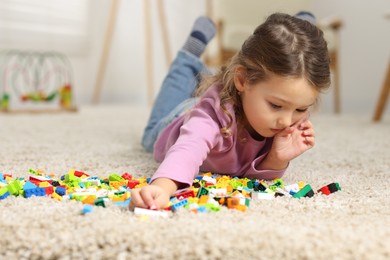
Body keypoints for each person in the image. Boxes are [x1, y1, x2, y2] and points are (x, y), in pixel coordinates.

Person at [130, 12, 331, 210]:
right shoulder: (211, 115)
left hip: (230, 92)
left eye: (301, 109)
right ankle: (189, 54)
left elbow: (252, 177)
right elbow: (188, 150)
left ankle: (300, 28)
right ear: (242, 80)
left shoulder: (286, 101)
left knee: (212, 82)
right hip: (181, 118)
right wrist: (161, 188)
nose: (287, 121)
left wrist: (276, 159)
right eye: (276, 106)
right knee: (150, 134)